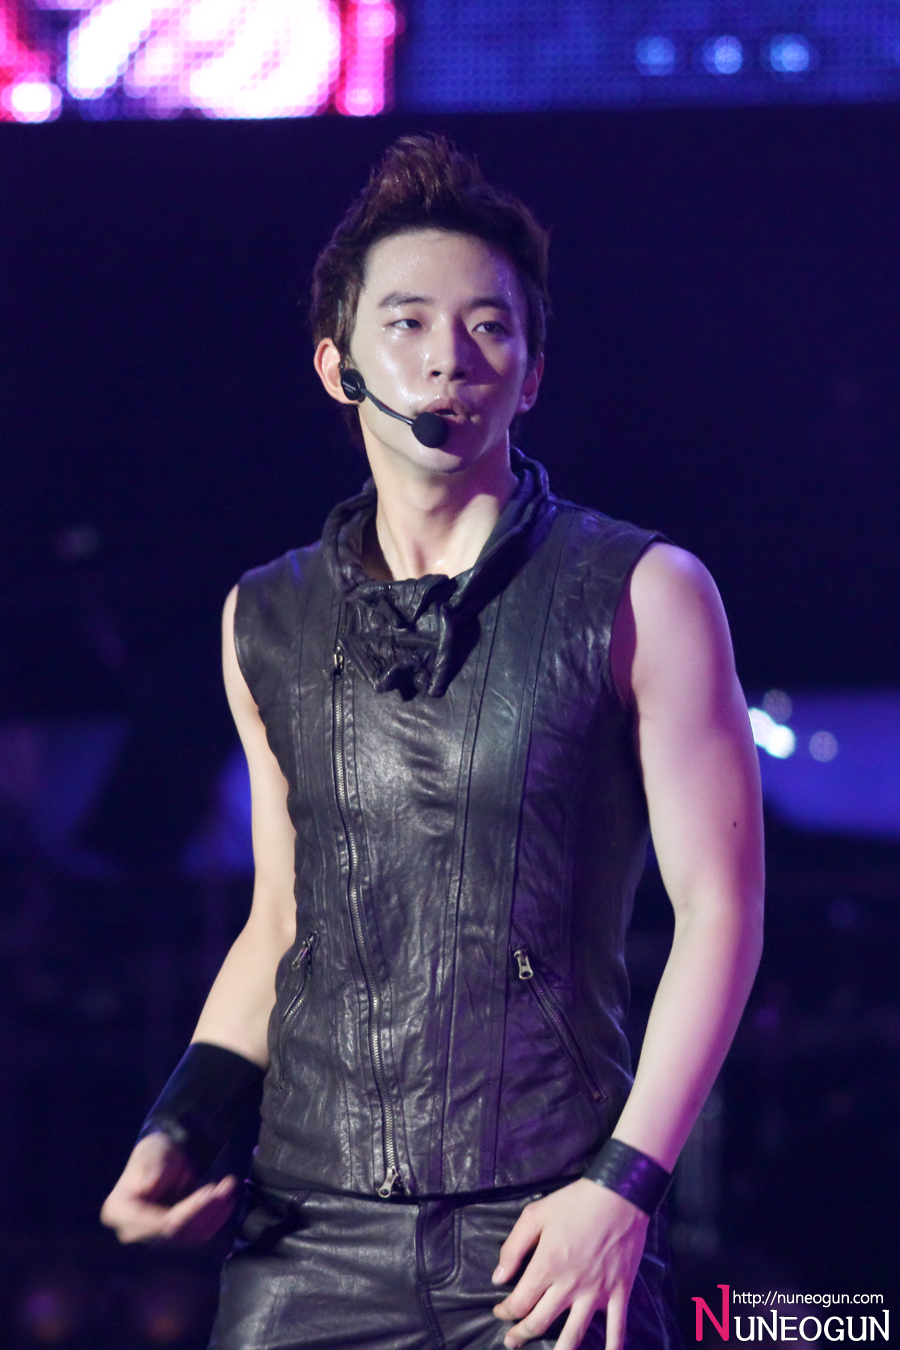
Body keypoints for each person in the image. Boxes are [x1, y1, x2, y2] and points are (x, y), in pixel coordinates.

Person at [101, 135, 764, 1350]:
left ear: (532, 373)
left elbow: (721, 910)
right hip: (305, 1232)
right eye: (406, 323)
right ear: (337, 364)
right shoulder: (266, 618)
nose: (448, 356)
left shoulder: (643, 592)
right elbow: (282, 922)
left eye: (488, 327)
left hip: (543, 1224)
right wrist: (179, 1126)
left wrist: (623, 1188)